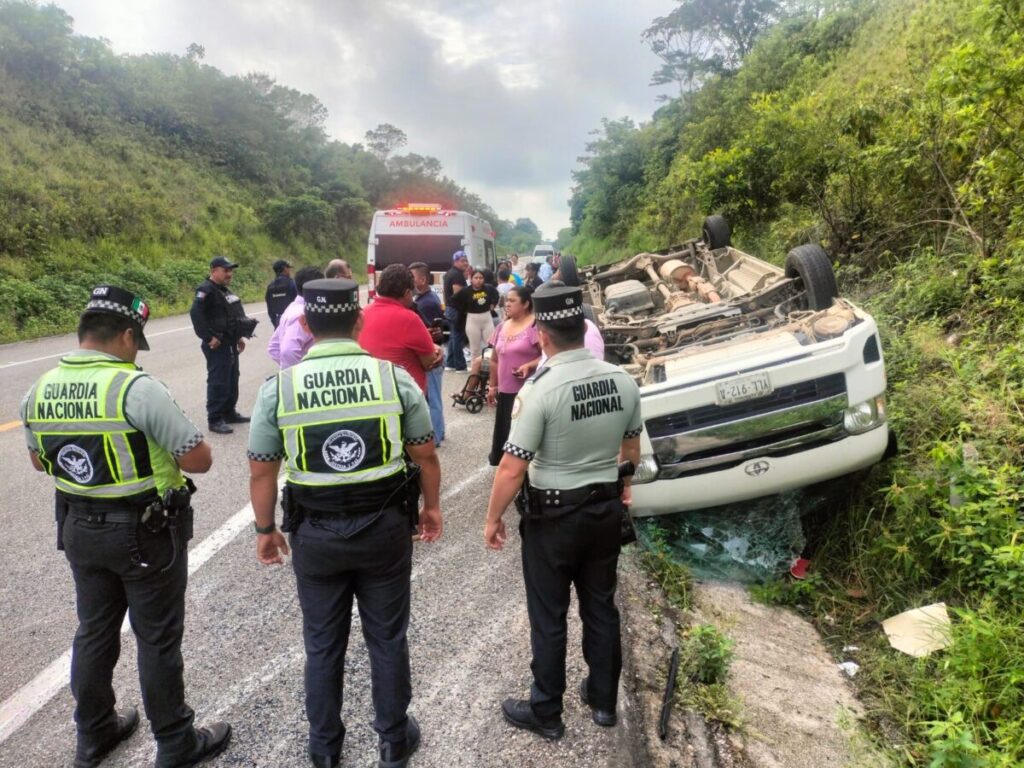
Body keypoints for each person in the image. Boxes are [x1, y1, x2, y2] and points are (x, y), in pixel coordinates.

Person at [20, 285, 231, 768]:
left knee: (94, 630)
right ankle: (176, 742)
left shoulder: (39, 388)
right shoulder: (135, 386)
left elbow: (37, 461)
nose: (136, 351)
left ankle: (94, 735)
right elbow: (198, 459)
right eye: (137, 341)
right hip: (144, 532)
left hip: (78, 526)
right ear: (125, 334)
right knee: (156, 637)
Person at [247, 278, 442, 768]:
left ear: (307, 325)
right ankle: (393, 740)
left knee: (322, 642)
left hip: (314, 535)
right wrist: (431, 508)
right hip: (384, 531)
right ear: (358, 321)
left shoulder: (279, 388)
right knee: (387, 638)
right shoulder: (392, 379)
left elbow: (262, 468)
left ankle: (325, 748)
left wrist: (265, 529)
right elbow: (425, 454)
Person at [483, 283, 643, 741]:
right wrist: (625, 487)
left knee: (549, 614)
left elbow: (513, 467)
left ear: (542, 336)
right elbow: (630, 446)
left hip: (552, 519)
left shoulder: (542, 388)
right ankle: (603, 701)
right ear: (582, 328)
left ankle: (547, 712)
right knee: (600, 605)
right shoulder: (622, 379)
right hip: (605, 511)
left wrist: (492, 518)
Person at [189, 256, 259, 435]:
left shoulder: (223, 291)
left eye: (231, 270)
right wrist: (208, 337)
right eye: (225, 270)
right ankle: (215, 418)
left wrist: (238, 338)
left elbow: (230, 318)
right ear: (214, 271)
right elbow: (196, 314)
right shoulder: (206, 290)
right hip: (217, 344)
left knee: (232, 377)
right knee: (218, 380)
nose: (230, 274)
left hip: (229, 342)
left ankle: (229, 412)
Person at [360, 264, 442, 396]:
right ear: (407, 293)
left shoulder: (363, 314)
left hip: (371, 391)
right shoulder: (410, 319)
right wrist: (437, 350)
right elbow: (430, 362)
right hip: (406, 397)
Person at [485, 285, 540, 466]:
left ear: (525, 304)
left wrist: (529, 365)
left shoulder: (534, 326)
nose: (506, 304)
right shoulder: (502, 326)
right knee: (507, 434)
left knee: (525, 438)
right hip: (506, 392)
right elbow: (494, 360)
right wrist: (493, 386)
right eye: (506, 300)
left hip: (528, 392)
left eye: (512, 300)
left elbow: (548, 356)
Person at [409, 262, 446, 446]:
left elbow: (432, 333)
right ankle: (440, 431)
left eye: (412, 277)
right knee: (434, 396)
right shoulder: (422, 300)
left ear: (422, 280)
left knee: (432, 399)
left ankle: (435, 438)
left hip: (432, 356)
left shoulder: (426, 303)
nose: (410, 281)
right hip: (432, 353)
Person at [267, 266, 324, 369]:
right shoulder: (302, 314)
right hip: (303, 380)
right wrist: (301, 373)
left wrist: (285, 369)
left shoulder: (291, 308)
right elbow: (288, 351)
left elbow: (274, 347)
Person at [450, 269, 499, 376]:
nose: (478, 280)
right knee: (475, 348)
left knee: (490, 345)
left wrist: (493, 304)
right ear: (471, 279)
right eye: (476, 278)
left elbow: (496, 294)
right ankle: (475, 371)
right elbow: (453, 300)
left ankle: (489, 369)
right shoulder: (466, 291)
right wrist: (463, 309)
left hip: (487, 318)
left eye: (481, 278)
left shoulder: (488, 288)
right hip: (472, 319)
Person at [442, 251, 469, 371]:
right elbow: (458, 293)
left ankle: (450, 363)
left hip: (450, 308)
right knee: (458, 336)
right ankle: (460, 365)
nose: (465, 263)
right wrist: (465, 308)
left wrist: (446, 305)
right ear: (456, 261)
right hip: (457, 309)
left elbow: (444, 292)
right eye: (462, 261)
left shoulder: (449, 273)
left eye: (466, 260)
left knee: (453, 336)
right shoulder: (457, 275)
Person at [265, 258, 297, 328]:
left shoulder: (270, 287)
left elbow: (270, 309)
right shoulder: (292, 284)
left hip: (278, 322)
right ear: (285, 269)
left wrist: (276, 324)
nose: (289, 270)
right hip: (292, 321)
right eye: (288, 268)